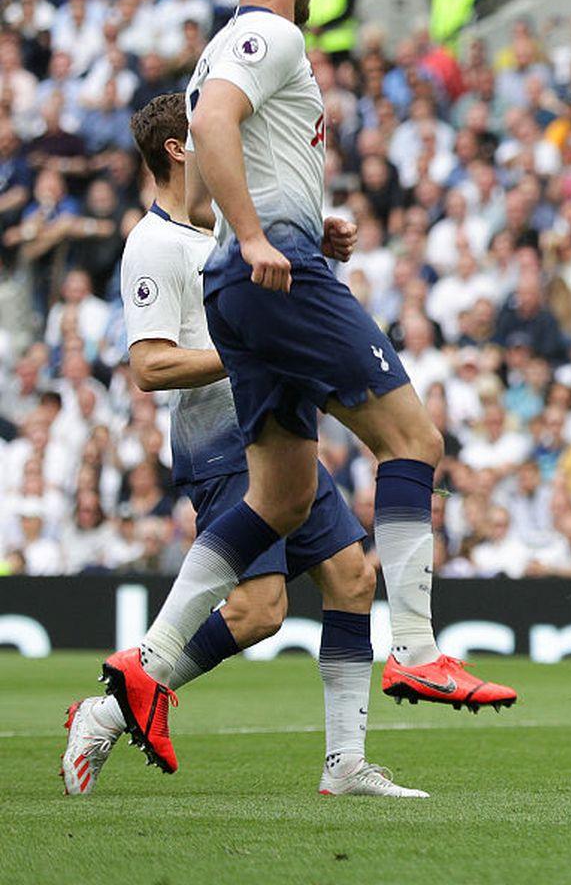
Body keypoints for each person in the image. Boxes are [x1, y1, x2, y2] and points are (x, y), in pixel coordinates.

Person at [98, 0, 516, 776]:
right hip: (268, 276)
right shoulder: (268, 34)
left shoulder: (228, 42)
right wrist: (258, 237)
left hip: (255, 279)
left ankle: (146, 667)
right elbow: (212, 126)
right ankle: (416, 647)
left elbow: (234, 138)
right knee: (415, 440)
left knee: (283, 498)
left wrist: (295, 220)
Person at [61, 95, 423, 799]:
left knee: (351, 578)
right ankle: (107, 711)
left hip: (275, 430)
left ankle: (345, 765)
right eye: (212, 137)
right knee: (259, 612)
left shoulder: (227, 230)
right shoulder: (154, 245)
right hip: (221, 441)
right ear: (177, 149)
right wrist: (247, 347)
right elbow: (149, 366)